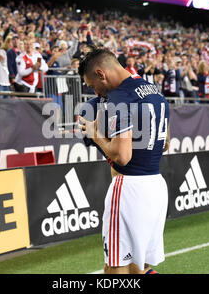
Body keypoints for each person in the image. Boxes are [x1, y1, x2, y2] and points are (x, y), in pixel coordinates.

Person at [77, 48, 170, 274]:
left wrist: (95, 134)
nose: (95, 92)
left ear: (101, 73)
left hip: (129, 189)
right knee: (138, 267)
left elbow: (122, 155)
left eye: (91, 85)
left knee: (116, 267)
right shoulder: (153, 90)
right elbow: (165, 142)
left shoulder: (119, 97)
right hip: (156, 185)